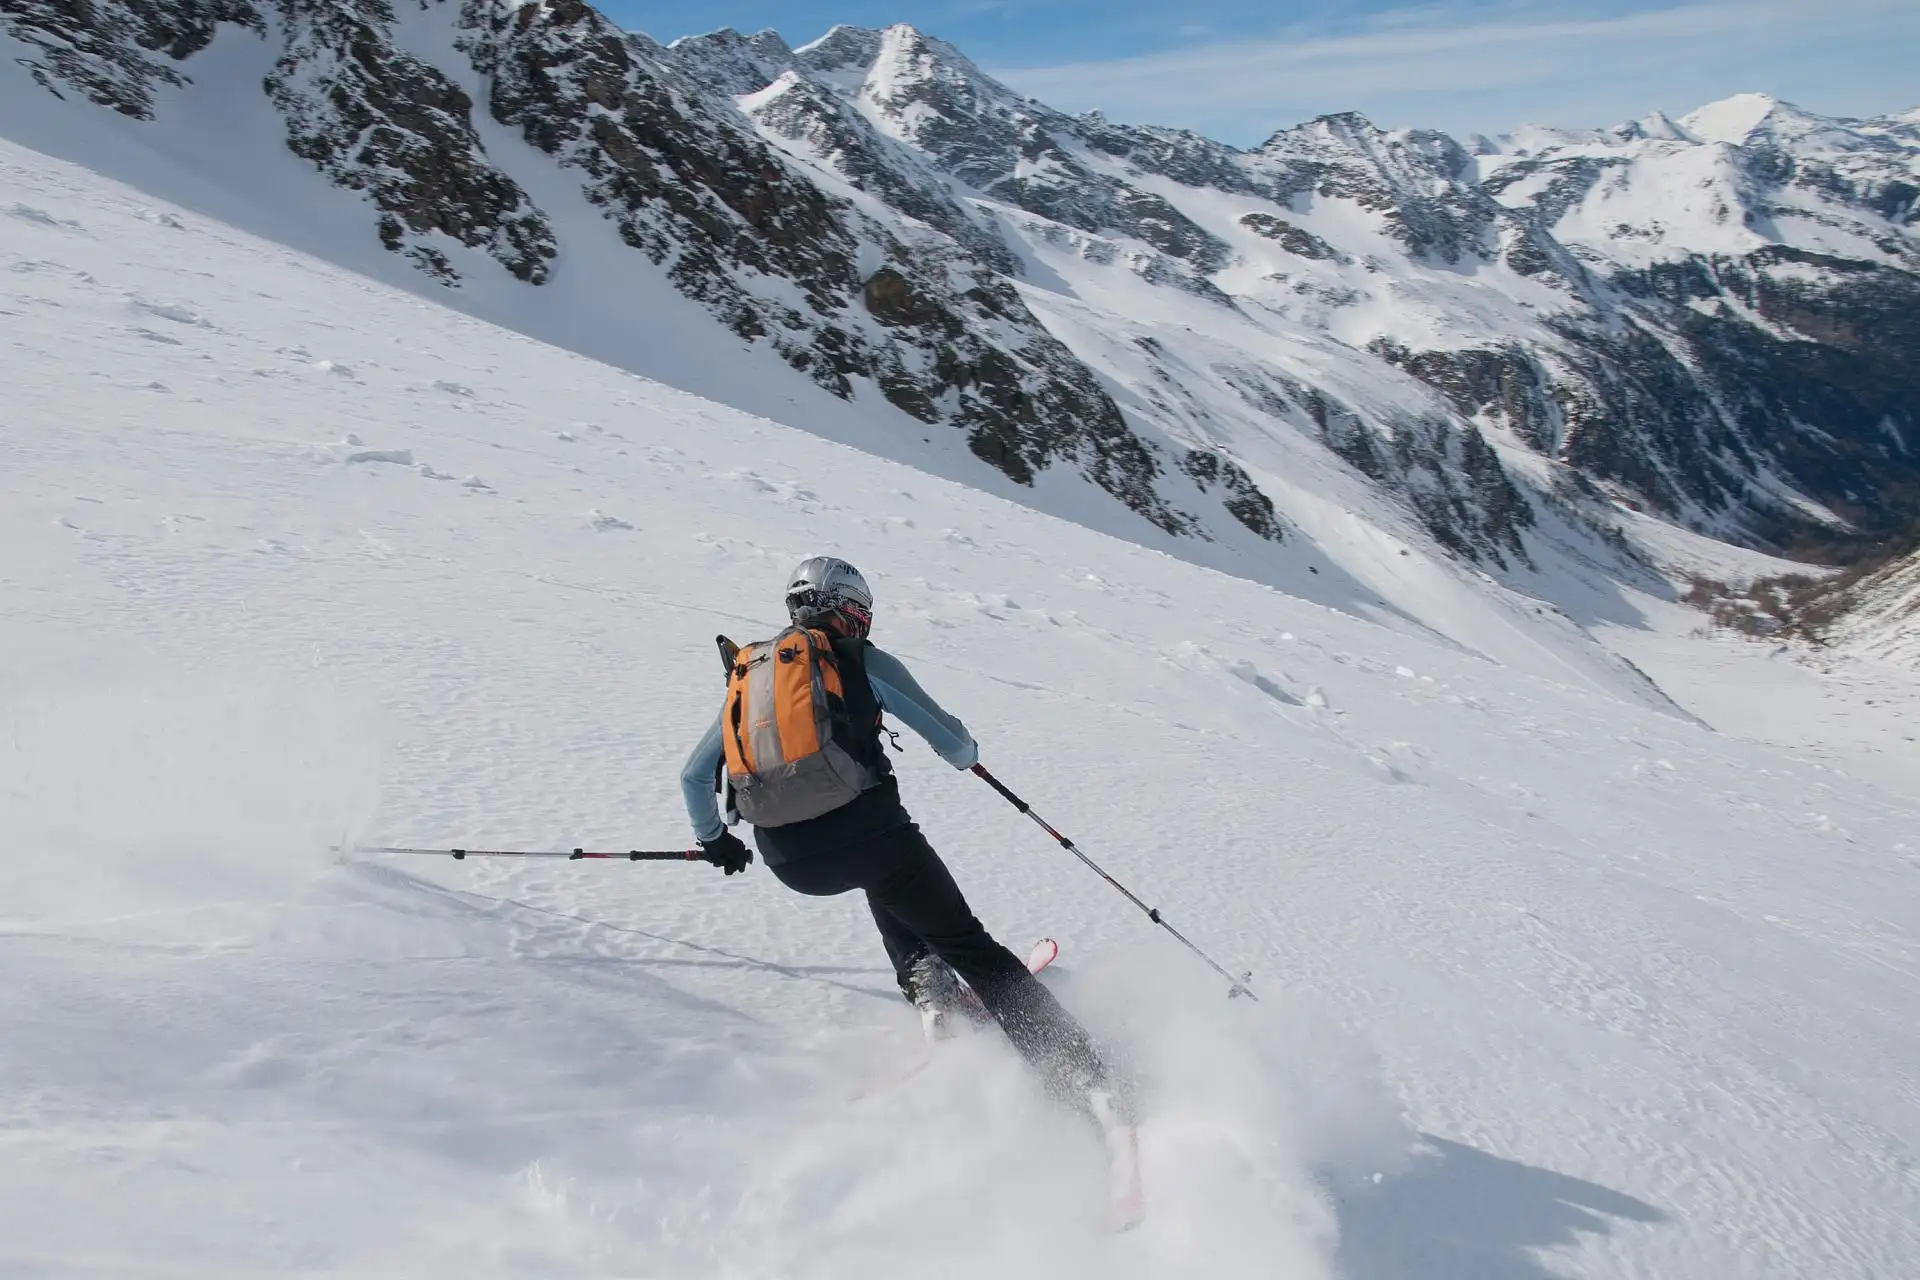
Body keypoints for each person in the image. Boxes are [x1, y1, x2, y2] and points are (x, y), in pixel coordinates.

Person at [679, 556, 1112, 1105]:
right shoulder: (860, 659)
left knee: (883, 878)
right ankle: (1084, 1078)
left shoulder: (752, 674)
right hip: (873, 838)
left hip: (790, 863)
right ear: (848, 612)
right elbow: (955, 745)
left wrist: (716, 841)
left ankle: (930, 989)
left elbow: (694, 776)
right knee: (966, 942)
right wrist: (967, 750)